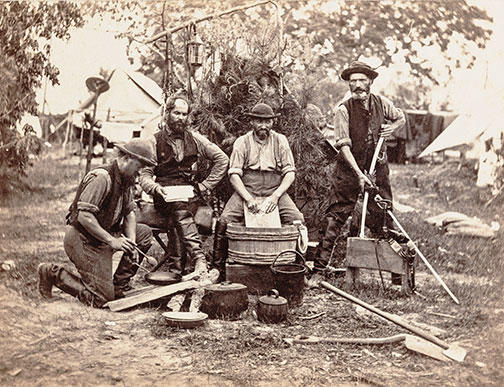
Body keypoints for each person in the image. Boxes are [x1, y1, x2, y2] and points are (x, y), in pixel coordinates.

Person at [309, 61, 406, 287]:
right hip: (349, 171)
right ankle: (319, 271)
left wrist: (392, 128)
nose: (357, 85)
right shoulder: (343, 109)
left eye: (362, 80)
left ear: (370, 82)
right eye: (353, 81)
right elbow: (343, 147)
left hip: (377, 169)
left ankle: (396, 274)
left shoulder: (382, 103)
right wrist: (358, 174)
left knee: (384, 216)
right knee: (335, 218)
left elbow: (401, 117)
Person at [38, 138, 158, 307]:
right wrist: (112, 241)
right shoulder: (101, 178)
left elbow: (130, 213)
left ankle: (118, 285)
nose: (139, 174)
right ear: (126, 159)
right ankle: (52, 273)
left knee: (143, 234)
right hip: (84, 239)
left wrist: (131, 242)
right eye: (139, 167)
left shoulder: (126, 179)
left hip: (104, 235)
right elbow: (84, 216)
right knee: (101, 299)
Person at [212, 102, 305, 281]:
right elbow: (234, 176)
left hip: (274, 188)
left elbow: (290, 173)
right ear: (252, 122)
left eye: (267, 121)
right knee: (224, 220)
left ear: (272, 122)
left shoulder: (281, 141)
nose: (263, 126)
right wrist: (248, 198)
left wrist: (276, 196)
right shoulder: (242, 142)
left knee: (297, 219)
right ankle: (217, 268)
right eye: (259, 121)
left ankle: (298, 269)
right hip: (247, 188)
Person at [139, 94, 229, 276]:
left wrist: (205, 186)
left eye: (184, 114)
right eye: (176, 113)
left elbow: (222, 159)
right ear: (167, 114)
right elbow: (145, 175)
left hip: (190, 194)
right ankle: (198, 258)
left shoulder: (195, 139)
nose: (180, 118)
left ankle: (176, 269)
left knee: (178, 214)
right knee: (178, 208)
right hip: (164, 195)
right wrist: (155, 188)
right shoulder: (154, 141)